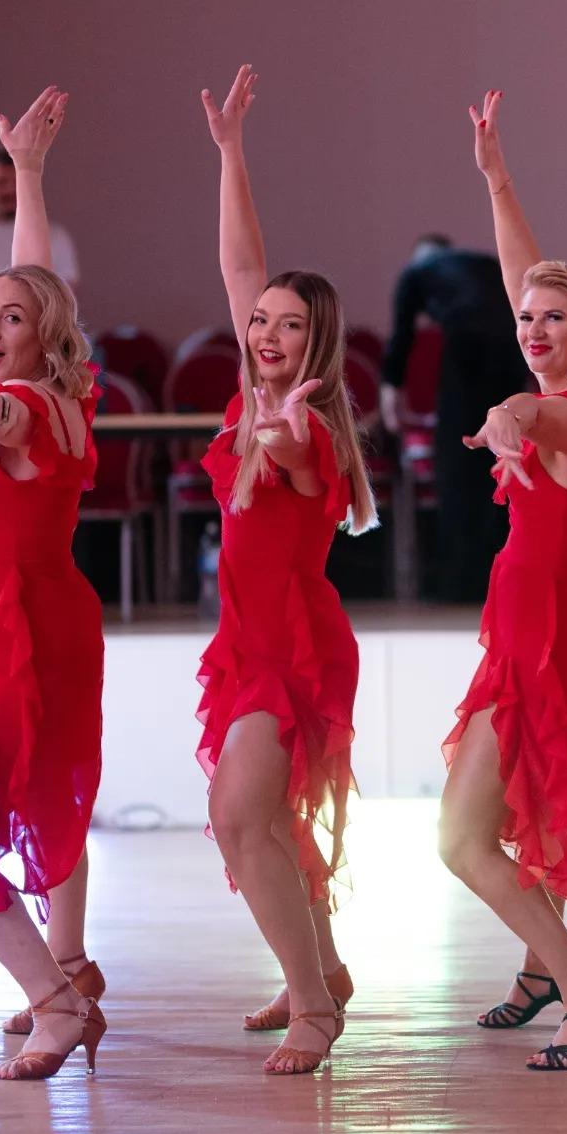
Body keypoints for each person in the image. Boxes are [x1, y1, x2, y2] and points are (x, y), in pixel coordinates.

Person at [437, 89, 567, 1072]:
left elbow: (538, 418)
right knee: (525, 820)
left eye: (552, 318)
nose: (530, 326)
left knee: (464, 840)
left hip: (547, 646)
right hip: (536, 635)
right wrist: (497, 178)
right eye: (526, 317)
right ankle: (541, 974)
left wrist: (505, 418)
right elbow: (527, 276)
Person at [197, 65, 376, 1076]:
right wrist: (231, 151)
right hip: (243, 641)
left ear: (319, 343)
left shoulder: (312, 430)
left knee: (241, 818)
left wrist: (280, 432)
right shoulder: (247, 392)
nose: (266, 333)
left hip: (293, 650)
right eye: (261, 322)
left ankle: (315, 1006)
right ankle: (324, 970)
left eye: (289, 325)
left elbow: (296, 454)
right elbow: (240, 265)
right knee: (260, 821)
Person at [0, 86, 107, 1080]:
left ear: (42, 333)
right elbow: (36, 288)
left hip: (19, 642)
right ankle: (66, 978)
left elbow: (29, 320)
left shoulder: (18, 404)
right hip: (19, 631)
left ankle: (57, 1002)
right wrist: (32, 175)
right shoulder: (55, 395)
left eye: (10, 317)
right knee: (35, 810)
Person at [380, 235, 525, 601]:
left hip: (468, 351)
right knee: (502, 459)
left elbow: (401, 336)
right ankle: (500, 577)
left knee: (457, 461)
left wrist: (389, 400)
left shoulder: (417, 270)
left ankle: (459, 582)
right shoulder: (481, 263)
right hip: (513, 351)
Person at [0, 149, 79, 417]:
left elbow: (60, 303)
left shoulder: (56, 237)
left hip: (35, 377)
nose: (9, 190)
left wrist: (23, 355)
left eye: (15, 182)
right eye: (0, 183)